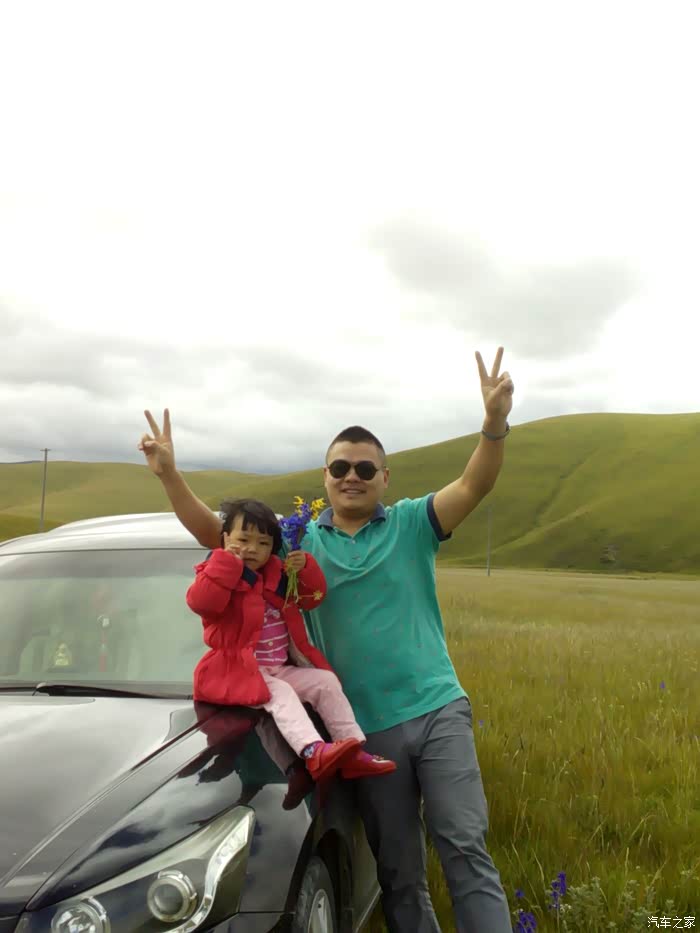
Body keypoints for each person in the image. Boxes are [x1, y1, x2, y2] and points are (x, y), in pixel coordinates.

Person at [139, 347, 515, 933]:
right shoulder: (294, 543)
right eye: (340, 467)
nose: (351, 477)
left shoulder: (414, 522)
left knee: (464, 846)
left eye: (365, 468)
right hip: (364, 728)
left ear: (384, 478)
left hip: (438, 709)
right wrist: (169, 475)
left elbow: (474, 483)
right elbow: (219, 535)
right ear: (326, 477)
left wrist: (493, 425)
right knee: (399, 872)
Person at [185, 495, 396, 789]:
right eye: (243, 539)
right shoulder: (216, 573)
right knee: (281, 693)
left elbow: (311, 599)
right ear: (225, 538)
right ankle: (313, 752)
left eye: (263, 543)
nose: (252, 549)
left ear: (273, 547)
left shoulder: (277, 575)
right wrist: (225, 564)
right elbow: (202, 603)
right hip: (238, 672)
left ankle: (352, 751)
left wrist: (304, 568)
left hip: (278, 669)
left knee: (324, 682)